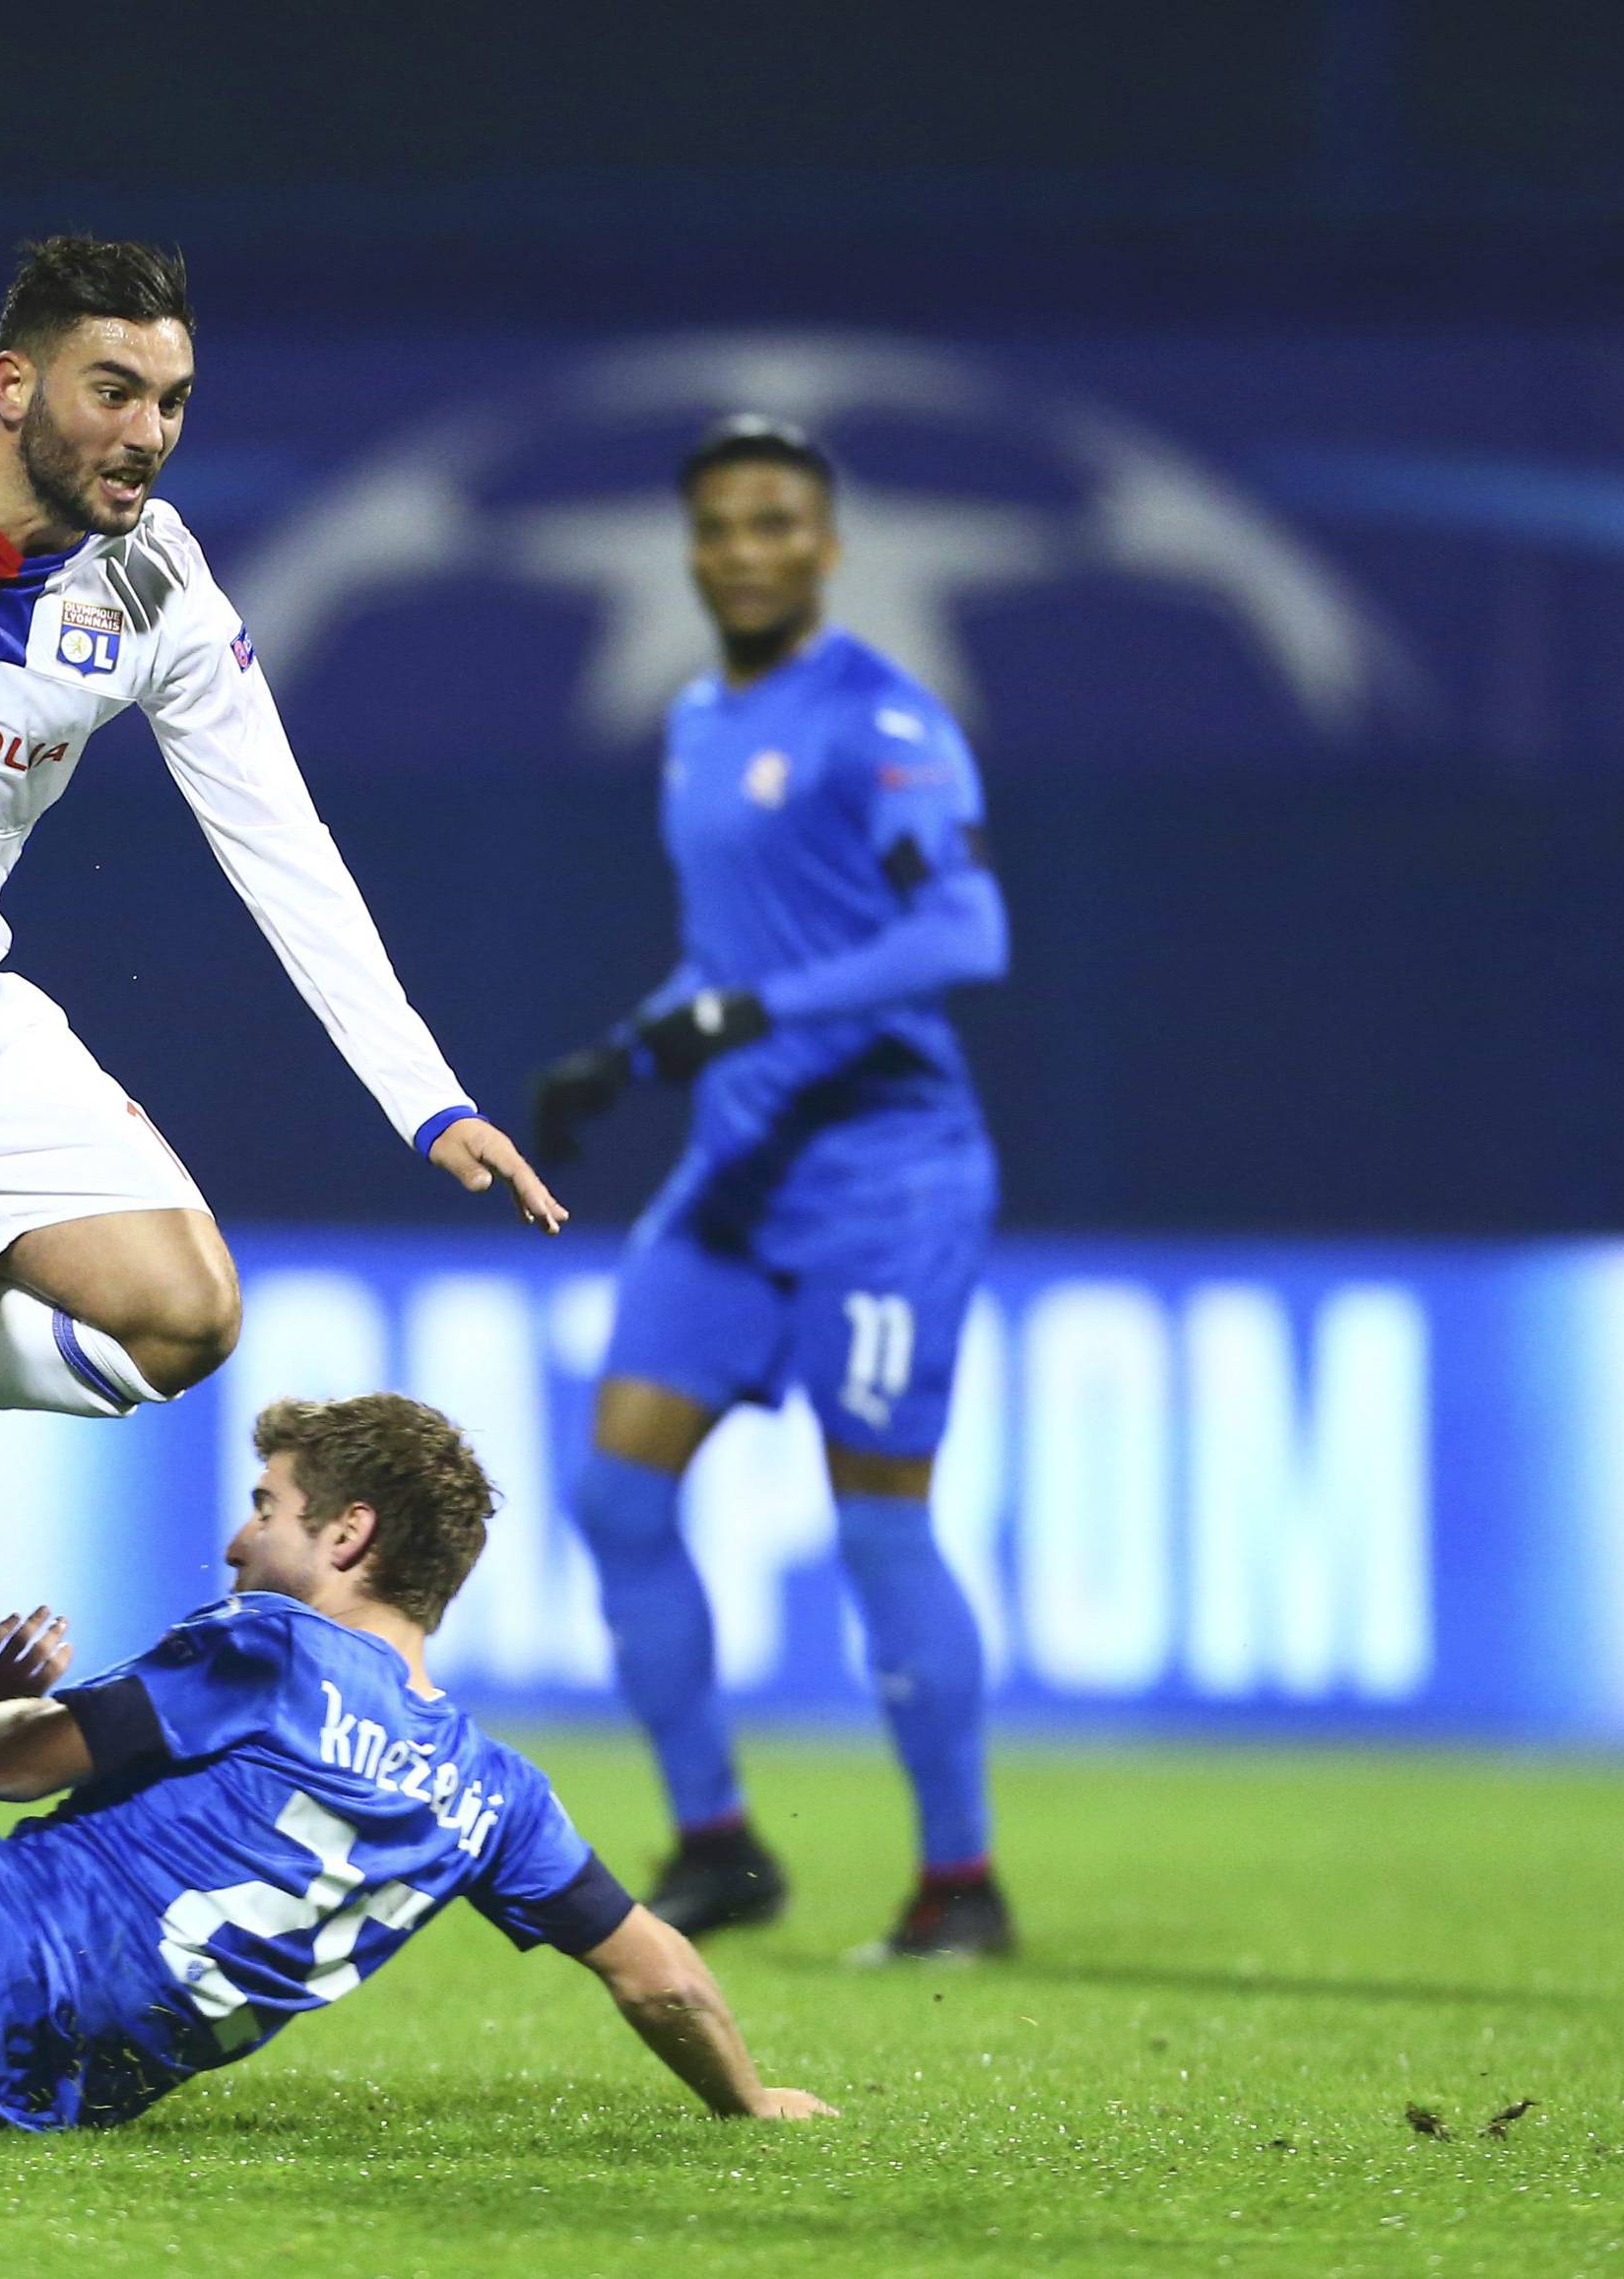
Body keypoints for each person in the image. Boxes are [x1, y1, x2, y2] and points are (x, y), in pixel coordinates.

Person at [0, 236, 562, 1443]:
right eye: (112, 392)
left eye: (171, 402)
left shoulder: (160, 591)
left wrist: (428, 1098)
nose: (149, 433)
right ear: (12, 387)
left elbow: (281, 841)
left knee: (180, 1317)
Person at [0, 1392, 834, 2132]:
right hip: (20, 2095)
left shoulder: (272, 1650)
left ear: (349, 1533)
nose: (235, 1542)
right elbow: (661, 1978)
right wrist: (749, 2100)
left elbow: (3, 1769)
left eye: (265, 1506)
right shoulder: (498, 1797)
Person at [530, 418, 1013, 1959]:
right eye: (722, 525)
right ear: (693, 547)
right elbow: (736, 959)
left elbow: (965, 935)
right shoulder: (692, 717)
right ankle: (722, 1844)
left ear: (827, 544)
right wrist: (626, 1049)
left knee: (878, 1527)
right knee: (614, 1495)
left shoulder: (883, 715)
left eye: (777, 523)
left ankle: (961, 1884)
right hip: (735, 1175)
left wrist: (746, 1013)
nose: (746, 549)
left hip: (886, 1180)